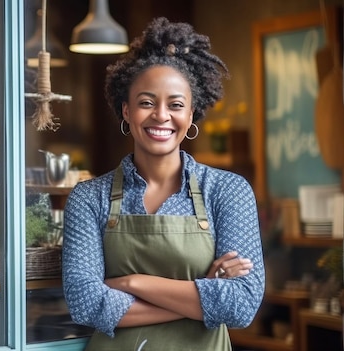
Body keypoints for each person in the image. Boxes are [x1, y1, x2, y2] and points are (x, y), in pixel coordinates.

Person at [62, 17, 265, 350]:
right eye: (146, 102)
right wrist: (201, 296)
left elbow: (240, 306)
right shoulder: (89, 198)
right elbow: (86, 304)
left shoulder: (228, 191)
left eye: (176, 105)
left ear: (191, 113)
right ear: (126, 111)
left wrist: (131, 282)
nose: (161, 115)